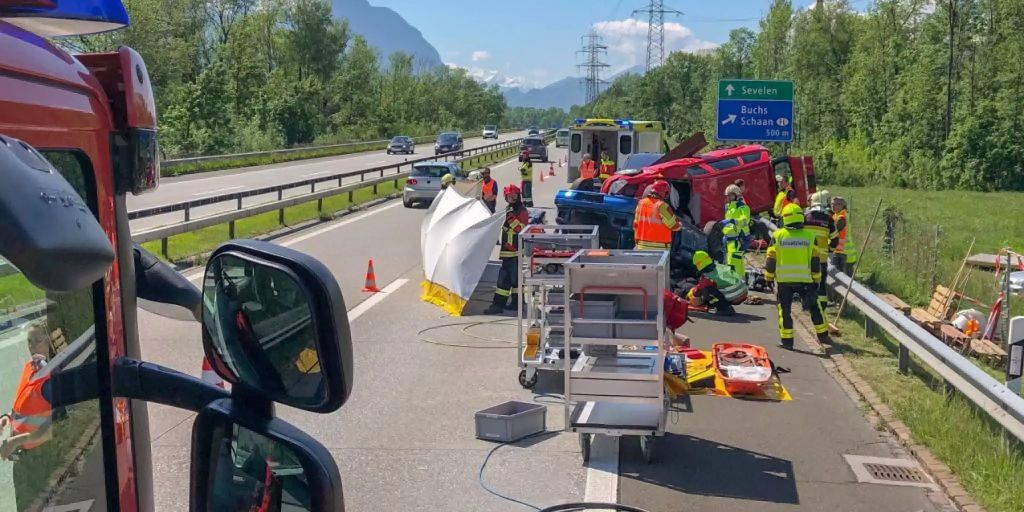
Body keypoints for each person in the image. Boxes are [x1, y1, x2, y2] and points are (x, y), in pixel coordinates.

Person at [765, 203, 830, 349]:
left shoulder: (778, 235)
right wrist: (817, 279)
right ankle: (823, 334)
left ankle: (787, 341)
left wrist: (768, 278)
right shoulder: (810, 236)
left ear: (785, 218)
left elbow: (771, 259)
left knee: (784, 311)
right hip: (806, 280)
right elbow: (815, 261)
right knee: (815, 308)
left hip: (784, 281)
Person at [485, 184, 529, 314]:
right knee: (515, 280)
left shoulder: (521, 211)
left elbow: (521, 229)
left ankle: (498, 305)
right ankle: (517, 303)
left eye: (514, 196)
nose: (511, 199)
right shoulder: (509, 209)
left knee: (503, 280)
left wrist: (511, 219)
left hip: (514, 251)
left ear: (518, 196)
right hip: (508, 251)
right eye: (509, 197)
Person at [805, 190, 836, 311]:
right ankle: (822, 307)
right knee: (821, 283)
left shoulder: (806, 217)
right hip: (822, 259)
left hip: (806, 257)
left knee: (808, 282)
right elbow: (834, 239)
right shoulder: (829, 219)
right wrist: (830, 250)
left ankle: (807, 305)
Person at [633, 180, 682, 250]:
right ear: (664, 192)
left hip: (641, 246)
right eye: (666, 193)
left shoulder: (641, 203)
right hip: (659, 249)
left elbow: (635, 225)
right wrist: (679, 225)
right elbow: (674, 226)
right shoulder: (662, 206)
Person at [688, 251, 736, 316]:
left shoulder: (707, 275)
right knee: (715, 288)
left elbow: (698, 290)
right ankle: (728, 306)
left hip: (734, 294)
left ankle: (723, 309)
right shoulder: (719, 266)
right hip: (740, 293)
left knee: (706, 290)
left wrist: (691, 295)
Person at [722, 184, 750, 279]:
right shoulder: (728, 207)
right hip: (729, 238)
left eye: (731, 195)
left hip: (739, 238)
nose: (729, 198)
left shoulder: (742, 207)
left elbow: (745, 220)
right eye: (727, 195)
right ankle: (739, 282)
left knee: (734, 262)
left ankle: (736, 282)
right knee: (734, 262)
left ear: (736, 195)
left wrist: (734, 221)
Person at [831, 196, 857, 275]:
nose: (834, 206)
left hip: (844, 253)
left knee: (843, 278)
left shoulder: (841, 217)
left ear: (843, 205)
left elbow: (834, 233)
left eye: (837, 204)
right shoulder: (836, 214)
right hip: (839, 250)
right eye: (832, 204)